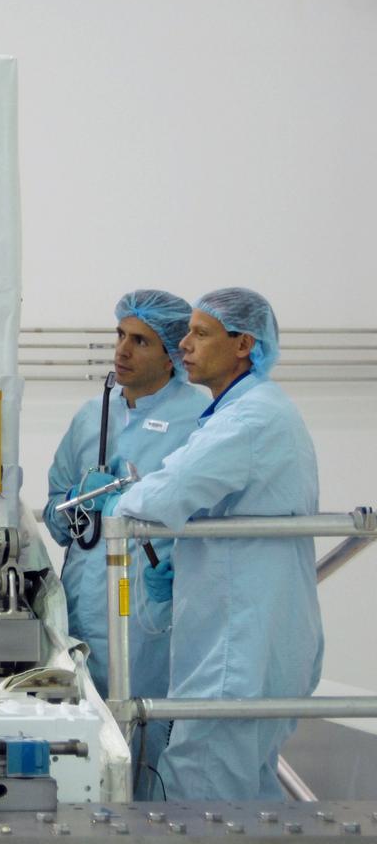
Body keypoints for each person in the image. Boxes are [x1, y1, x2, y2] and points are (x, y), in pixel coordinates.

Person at [111, 287, 323, 801]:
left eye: (201, 333)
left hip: (239, 647)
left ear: (243, 343)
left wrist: (125, 504)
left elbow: (161, 496)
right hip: (253, 636)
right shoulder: (247, 410)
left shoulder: (249, 420)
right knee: (246, 795)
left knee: (204, 791)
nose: (184, 344)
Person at [43, 289, 208, 798]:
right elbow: (52, 516)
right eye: (120, 335)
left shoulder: (198, 419)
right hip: (82, 603)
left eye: (140, 340)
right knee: (83, 730)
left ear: (172, 353)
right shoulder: (93, 415)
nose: (123, 350)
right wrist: (76, 499)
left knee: (147, 728)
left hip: (151, 608)